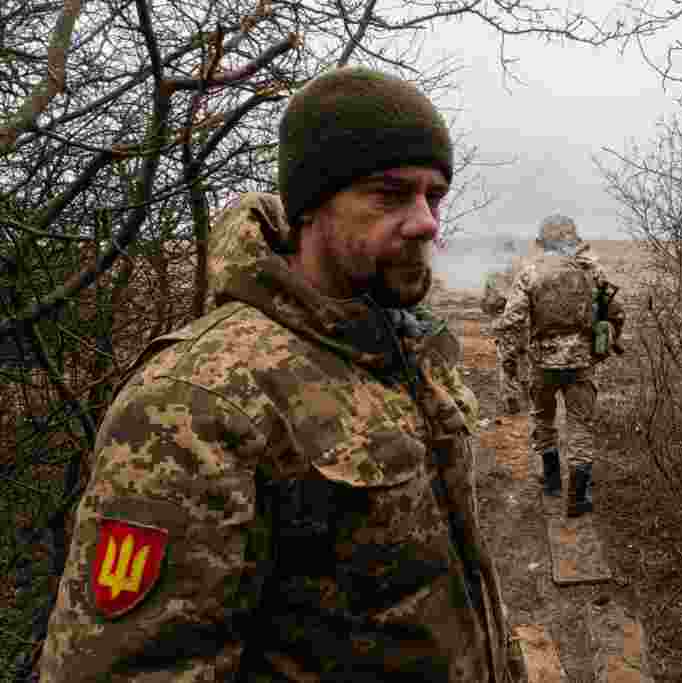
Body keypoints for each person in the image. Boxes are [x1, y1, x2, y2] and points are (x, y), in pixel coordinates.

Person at [37, 66, 514, 682]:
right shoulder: (199, 397)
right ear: (313, 205)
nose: (426, 221)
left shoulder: (399, 344)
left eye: (433, 196)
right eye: (390, 193)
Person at [495, 215, 625, 517]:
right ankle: (577, 499)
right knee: (580, 427)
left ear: (542, 241)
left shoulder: (530, 273)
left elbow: (512, 323)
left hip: (541, 363)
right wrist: (605, 345)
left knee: (543, 420)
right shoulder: (592, 272)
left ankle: (552, 482)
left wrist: (510, 362)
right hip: (581, 363)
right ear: (573, 239)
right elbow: (616, 314)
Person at [481, 264, 528, 414]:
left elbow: (486, 305)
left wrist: (497, 317)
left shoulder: (493, 277)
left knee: (507, 363)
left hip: (505, 325)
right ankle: (528, 395)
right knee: (526, 359)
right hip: (524, 324)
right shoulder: (524, 272)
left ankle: (511, 397)